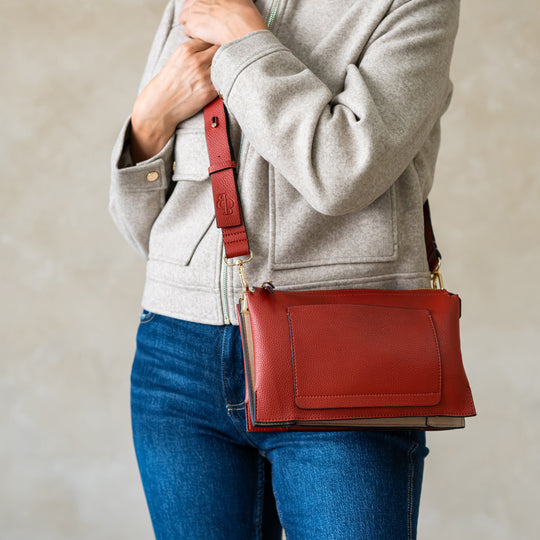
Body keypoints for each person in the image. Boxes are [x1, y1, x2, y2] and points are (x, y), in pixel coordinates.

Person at [109, 1, 460, 538]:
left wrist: (246, 41)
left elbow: (342, 173)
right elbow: (149, 232)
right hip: (177, 356)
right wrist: (150, 118)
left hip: (339, 353)